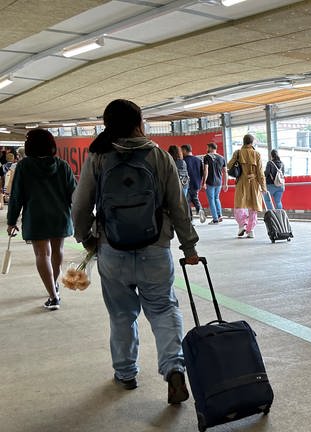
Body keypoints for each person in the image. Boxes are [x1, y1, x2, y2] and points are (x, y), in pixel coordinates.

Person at [71, 99, 199, 404]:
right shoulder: (157, 155)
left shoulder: (98, 157)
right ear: (139, 121)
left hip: (112, 251)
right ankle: (174, 369)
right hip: (154, 247)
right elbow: (178, 206)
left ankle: (126, 373)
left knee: (121, 314)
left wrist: (86, 238)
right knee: (164, 309)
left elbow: (79, 206)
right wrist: (189, 245)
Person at [5, 129, 76, 310]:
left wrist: (11, 220)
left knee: (42, 254)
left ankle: (53, 296)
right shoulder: (63, 165)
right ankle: (55, 286)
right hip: (60, 216)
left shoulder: (24, 166)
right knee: (57, 251)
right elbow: (74, 194)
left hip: (36, 217)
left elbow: (16, 196)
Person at [227, 134, 266, 238]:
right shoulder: (257, 154)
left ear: (243, 141)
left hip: (241, 183)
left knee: (239, 206)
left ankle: (242, 225)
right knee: (253, 207)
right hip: (254, 183)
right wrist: (263, 187)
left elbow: (229, 165)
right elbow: (261, 173)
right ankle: (251, 230)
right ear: (252, 142)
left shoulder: (238, 153)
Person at [201, 142, 228, 224]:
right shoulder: (222, 158)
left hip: (210, 182)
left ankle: (215, 219)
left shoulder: (207, 157)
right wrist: (225, 183)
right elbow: (225, 172)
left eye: (208, 147)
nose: (207, 149)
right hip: (219, 182)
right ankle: (220, 215)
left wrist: (204, 182)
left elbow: (206, 170)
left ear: (210, 148)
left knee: (211, 200)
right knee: (216, 198)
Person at [182, 144, 205, 223]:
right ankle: (200, 209)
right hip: (196, 183)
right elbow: (202, 172)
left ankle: (191, 219)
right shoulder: (198, 160)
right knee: (195, 198)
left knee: (187, 201)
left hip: (187, 184)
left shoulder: (183, 160)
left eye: (182, 150)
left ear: (185, 150)